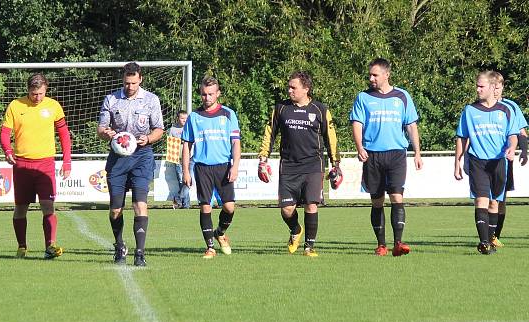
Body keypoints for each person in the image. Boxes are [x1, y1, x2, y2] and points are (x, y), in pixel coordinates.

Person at [258, 71, 340, 257]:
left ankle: (309, 247)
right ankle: (295, 230)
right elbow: (269, 133)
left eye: (293, 87)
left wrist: (336, 162)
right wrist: (263, 158)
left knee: (311, 205)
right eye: (289, 86)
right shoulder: (281, 108)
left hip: (313, 165)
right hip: (288, 166)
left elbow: (331, 137)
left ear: (306, 89)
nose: (289, 90)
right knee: (287, 210)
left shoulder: (320, 110)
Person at [350, 58, 423, 257]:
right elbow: (357, 123)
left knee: (397, 196)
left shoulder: (402, 96)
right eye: (370, 75)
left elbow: (411, 125)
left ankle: (398, 243)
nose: (371, 78)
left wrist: (417, 152)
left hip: (396, 154)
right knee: (377, 201)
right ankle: (381, 245)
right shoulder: (363, 97)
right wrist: (359, 147)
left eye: (375, 75)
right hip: (372, 155)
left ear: (386, 75)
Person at [97, 62, 164, 267]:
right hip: (118, 158)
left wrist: (149, 139)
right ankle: (119, 246)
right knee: (116, 209)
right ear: (123, 79)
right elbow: (101, 128)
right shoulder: (111, 99)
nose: (130, 86)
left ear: (140, 79)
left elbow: (159, 129)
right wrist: (106, 133)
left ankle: (140, 253)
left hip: (142, 156)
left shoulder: (151, 100)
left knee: (140, 204)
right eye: (127, 82)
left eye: (134, 83)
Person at [1, 73, 72, 259]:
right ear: (28, 90)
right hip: (22, 164)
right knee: (21, 208)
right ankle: (22, 246)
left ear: (46, 89)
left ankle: (50, 246)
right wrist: (8, 151)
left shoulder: (53, 106)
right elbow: (5, 132)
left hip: (45, 164)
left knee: (48, 206)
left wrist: (67, 161)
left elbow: (64, 135)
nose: (37, 97)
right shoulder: (16, 106)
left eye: (41, 93)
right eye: (34, 94)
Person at [454, 71, 520, 255]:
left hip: (498, 162)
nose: (478, 89)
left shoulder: (505, 110)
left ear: (492, 87)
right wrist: (457, 162)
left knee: (494, 203)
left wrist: (511, 148)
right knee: (480, 200)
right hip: (477, 162)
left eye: (481, 86)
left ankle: (490, 239)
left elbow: (512, 135)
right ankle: (483, 242)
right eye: (477, 85)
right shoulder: (470, 110)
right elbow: (462, 137)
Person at [181, 76, 241, 259]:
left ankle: (220, 232)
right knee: (205, 207)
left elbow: (236, 143)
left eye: (210, 94)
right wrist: (185, 171)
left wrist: (235, 166)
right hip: (202, 167)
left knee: (229, 207)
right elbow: (186, 145)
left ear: (218, 94)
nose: (207, 97)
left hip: (223, 166)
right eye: (204, 94)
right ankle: (210, 247)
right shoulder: (194, 117)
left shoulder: (228, 114)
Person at [490, 72, 528, 247]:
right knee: (487, 198)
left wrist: (524, 151)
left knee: (501, 199)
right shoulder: (482, 107)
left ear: (502, 87)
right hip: (485, 159)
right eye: (493, 87)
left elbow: (521, 133)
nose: (495, 91)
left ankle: (495, 236)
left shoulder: (510, 106)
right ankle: (487, 234)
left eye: (498, 87)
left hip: (505, 160)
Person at [165, 110, 191, 209]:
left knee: (188, 180)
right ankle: (186, 205)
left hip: (190, 158)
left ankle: (178, 199)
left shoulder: (189, 128)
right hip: (178, 159)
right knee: (181, 181)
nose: (184, 120)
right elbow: (170, 144)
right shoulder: (173, 130)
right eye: (182, 118)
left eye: (186, 118)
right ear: (178, 118)